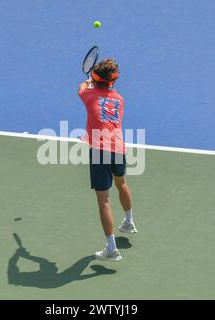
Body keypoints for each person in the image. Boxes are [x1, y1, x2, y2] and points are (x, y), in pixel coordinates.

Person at [78, 58, 137, 262]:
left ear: (96, 78)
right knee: (121, 183)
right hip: (118, 148)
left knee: (103, 200)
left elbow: (82, 87)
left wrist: (89, 80)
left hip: (100, 151)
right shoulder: (120, 99)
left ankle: (111, 249)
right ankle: (129, 221)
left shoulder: (88, 94)